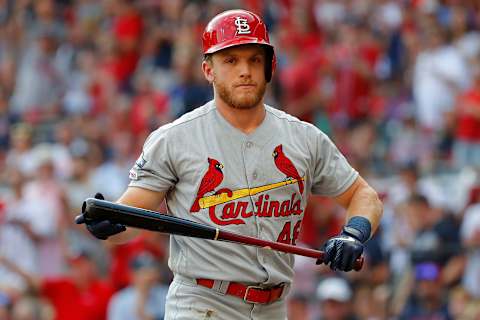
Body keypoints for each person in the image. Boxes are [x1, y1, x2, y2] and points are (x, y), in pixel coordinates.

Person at [76, 9, 383, 320]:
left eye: (254, 59)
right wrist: (108, 224)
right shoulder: (174, 138)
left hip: (274, 308)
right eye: (231, 60)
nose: (245, 71)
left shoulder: (304, 138)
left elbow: (363, 195)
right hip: (202, 304)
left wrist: (353, 234)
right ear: (208, 69)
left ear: (270, 66)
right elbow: (134, 213)